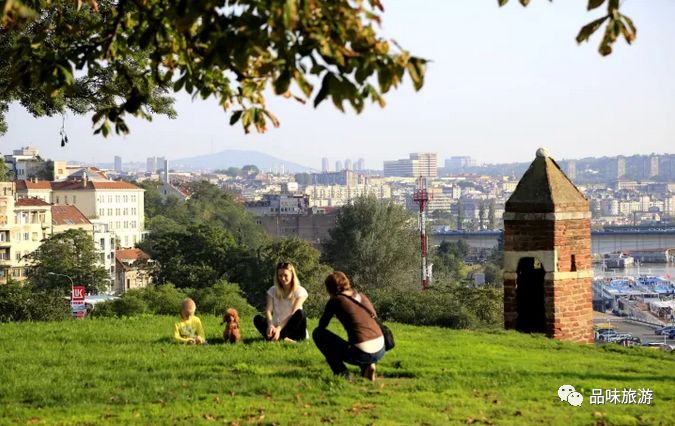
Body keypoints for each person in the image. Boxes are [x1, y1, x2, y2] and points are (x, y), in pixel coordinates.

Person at [313, 271, 385, 381]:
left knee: (318, 334)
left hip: (362, 352)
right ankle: (368, 365)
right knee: (357, 342)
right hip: (380, 349)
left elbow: (322, 324)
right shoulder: (362, 296)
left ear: (329, 288)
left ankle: (343, 373)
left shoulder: (336, 300)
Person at [253, 262, 308, 342]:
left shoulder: (300, 291)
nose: (282, 278)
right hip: (276, 326)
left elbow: (293, 313)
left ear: (292, 275)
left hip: (294, 329)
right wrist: (270, 325)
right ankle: (282, 339)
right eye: (280, 276)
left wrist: (279, 329)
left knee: (300, 313)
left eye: (285, 275)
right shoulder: (272, 290)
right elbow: (268, 310)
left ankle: (277, 338)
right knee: (257, 319)